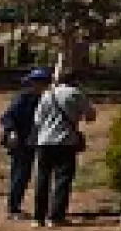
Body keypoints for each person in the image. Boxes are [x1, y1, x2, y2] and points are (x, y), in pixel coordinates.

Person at [30, 69, 96, 227]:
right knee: (62, 179)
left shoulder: (47, 94)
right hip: (66, 141)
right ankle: (56, 216)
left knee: (42, 179)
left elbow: (38, 120)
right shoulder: (76, 94)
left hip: (44, 142)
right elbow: (90, 116)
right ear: (75, 81)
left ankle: (38, 217)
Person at [0, 68, 50, 222]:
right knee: (20, 174)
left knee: (25, 174)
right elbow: (7, 117)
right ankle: (13, 208)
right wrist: (12, 131)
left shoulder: (44, 98)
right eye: (38, 82)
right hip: (20, 141)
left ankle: (16, 206)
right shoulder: (23, 98)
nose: (41, 86)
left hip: (33, 141)